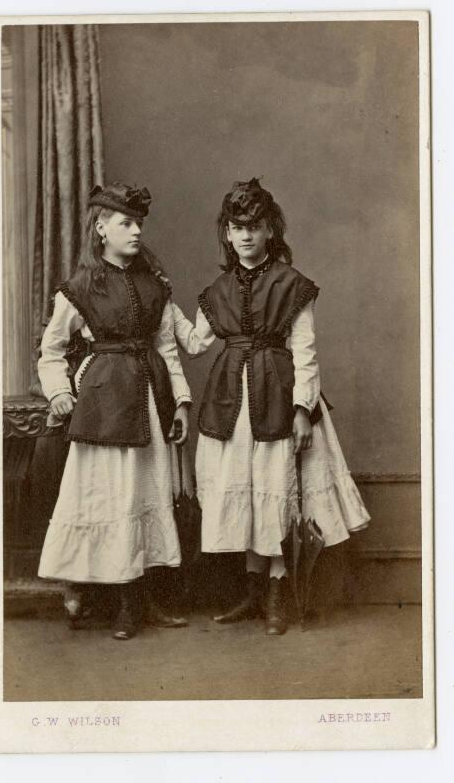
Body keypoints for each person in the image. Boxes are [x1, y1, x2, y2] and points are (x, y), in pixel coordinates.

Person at [172, 177, 371, 636]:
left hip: (279, 395)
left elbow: (306, 351)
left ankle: (279, 590)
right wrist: (165, 304)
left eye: (255, 226)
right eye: (236, 227)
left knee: (274, 486)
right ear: (226, 233)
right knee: (243, 484)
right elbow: (197, 343)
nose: (245, 235)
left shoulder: (292, 284)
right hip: (232, 400)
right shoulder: (217, 289)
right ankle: (253, 590)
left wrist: (303, 409)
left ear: (269, 232)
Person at [37, 182, 191, 640]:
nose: (136, 231)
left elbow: (168, 349)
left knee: (146, 492)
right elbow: (51, 350)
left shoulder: (153, 287)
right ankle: (119, 601)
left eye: (139, 223)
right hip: (103, 402)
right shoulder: (79, 288)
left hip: (149, 396)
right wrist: (59, 393)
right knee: (112, 495)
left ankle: (144, 599)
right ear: (101, 228)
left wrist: (180, 403)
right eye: (126, 223)